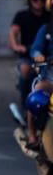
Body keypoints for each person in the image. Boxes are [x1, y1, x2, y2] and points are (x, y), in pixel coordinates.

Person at [9, 0, 49, 108]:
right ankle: (25, 99)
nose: (39, 2)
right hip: (27, 54)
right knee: (25, 71)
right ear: (30, 0)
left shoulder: (49, 17)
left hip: (46, 56)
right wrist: (16, 46)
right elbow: (13, 33)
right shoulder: (22, 15)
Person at [24, 9, 53, 150]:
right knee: (35, 97)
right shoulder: (46, 30)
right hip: (50, 78)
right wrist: (38, 56)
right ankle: (32, 135)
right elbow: (35, 49)